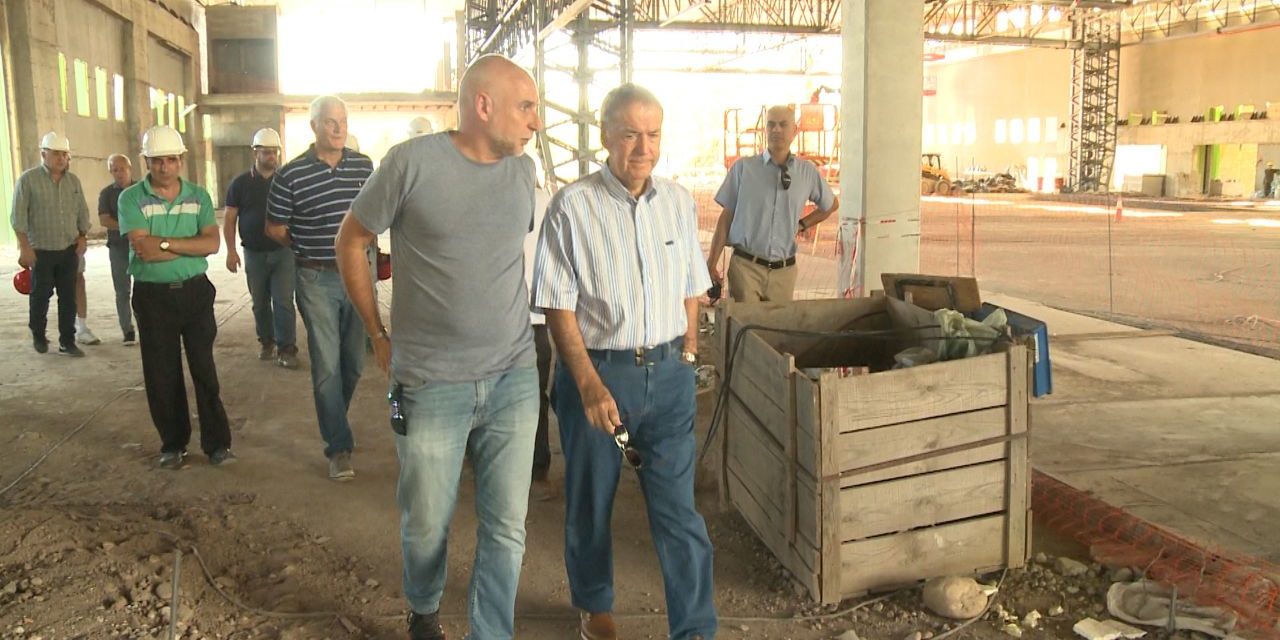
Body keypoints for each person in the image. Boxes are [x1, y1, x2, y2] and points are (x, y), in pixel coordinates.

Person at [336, 54, 542, 640]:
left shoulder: (522, 173)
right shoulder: (409, 165)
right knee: (426, 523)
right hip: (429, 384)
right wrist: (377, 333)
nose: (535, 122)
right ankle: (423, 610)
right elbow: (352, 241)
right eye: (525, 106)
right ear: (483, 105)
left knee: (507, 525)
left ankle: (490, 633)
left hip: (513, 376)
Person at [532, 83, 717, 640]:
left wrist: (687, 352)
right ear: (605, 136)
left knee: (679, 513)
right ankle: (595, 605)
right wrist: (587, 383)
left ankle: (695, 628)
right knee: (591, 499)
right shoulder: (573, 206)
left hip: (667, 379)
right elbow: (557, 303)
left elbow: (692, 283)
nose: (644, 146)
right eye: (631, 133)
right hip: (599, 376)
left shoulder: (679, 203)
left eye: (654, 133)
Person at [267, 96, 374, 481]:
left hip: (359, 274)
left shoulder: (364, 167)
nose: (339, 128)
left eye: (343, 121)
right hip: (316, 278)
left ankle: (335, 421)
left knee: (355, 362)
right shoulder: (291, 175)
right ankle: (339, 446)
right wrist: (308, 246)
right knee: (327, 364)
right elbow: (275, 228)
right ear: (314, 127)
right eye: (331, 122)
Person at [118, 125, 233, 469]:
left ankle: (217, 444)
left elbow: (212, 244)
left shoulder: (199, 196)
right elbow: (144, 251)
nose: (163, 167)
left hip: (195, 295)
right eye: (156, 161)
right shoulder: (131, 198)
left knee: (204, 370)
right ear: (146, 162)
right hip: (152, 298)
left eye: (170, 160)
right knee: (161, 373)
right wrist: (189, 247)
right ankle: (173, 443)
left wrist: (166, 243)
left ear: (181, 160)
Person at [707, 104, 839, 302]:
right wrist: (711, 263)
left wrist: (802, 224)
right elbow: (725, 218)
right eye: (771, 125)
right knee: (745, 328)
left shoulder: (807, 173)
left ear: (794, 131)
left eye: (783, 125)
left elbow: (830, 205)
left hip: (783, 274)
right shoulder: (744, 169)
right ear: (765, 130)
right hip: (746, 269)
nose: (776, 129)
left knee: (776, 330)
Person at [11, 131, 91, 357]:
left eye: (64, 154)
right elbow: (18, 216)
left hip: (68, 249)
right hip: (40, 251)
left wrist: (83, 235)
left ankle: (67, 340)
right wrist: (24, 247)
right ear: (44, 154)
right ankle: (38, 333)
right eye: (55, 154)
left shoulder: (73, 182)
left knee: (68, 297)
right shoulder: (28, 180)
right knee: (40, 295)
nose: (60, 158)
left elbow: (82, 212)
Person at [224, 128, 298, 369]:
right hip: (253, 253)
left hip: (284, 252)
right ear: (255, 152)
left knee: (284, 301)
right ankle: (267, 341)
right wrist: (231, 251)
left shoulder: (287, 181)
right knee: (260, 301)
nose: (271, 157)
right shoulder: (240, 183)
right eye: (266, 152)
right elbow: (230, 218)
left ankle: (287, 348)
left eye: (274, 152)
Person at [98, 154, 137, 345]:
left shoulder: (142, 191)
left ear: (130, 168)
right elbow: (104, 220)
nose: (119, 173)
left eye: (122, 169)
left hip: (141, 246)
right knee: (122, 290)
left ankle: (148, 324)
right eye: (115, 170)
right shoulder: (106, 194)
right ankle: (127, 329)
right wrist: (129, 228)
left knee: (145, 287)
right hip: (118, 248)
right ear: (110, 172)